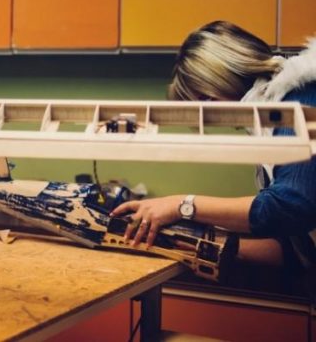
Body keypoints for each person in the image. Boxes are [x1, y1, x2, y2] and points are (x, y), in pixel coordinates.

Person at [112, 20, 316, 274]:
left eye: (206, 100)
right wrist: (204, 244)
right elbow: (296, 245)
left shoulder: (302, 98)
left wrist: (181, 205)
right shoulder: (269, 114)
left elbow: (288, 208)